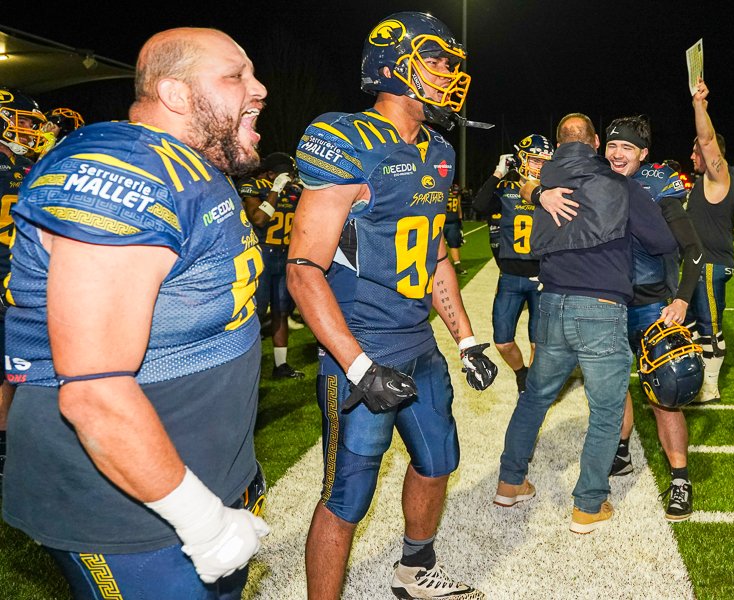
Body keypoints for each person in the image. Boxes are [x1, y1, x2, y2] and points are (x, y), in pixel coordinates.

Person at [2, 29, 270, 600]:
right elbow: (94, 391)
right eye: (235, 75)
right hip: (128, 507)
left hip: (191, 470)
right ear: (174, 94)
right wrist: (202, 520)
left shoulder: (188, 162)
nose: (259, 89)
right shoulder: (124, 167)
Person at [287, 12, 497, 600]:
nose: (451, 74)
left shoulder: (438, 152)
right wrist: (359, 366)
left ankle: (414, 570)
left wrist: (468, 340)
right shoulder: (347, 140)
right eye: (438, 61)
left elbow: (433, 257)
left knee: (438, 461)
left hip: (418, 342)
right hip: (361, 348)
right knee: (347, 494)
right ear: (393, 64)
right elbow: (303, 271)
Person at [495, 114, 677, 534]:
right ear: (596, 142)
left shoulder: (544, 186)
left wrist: (537, 190)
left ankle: (510, 481)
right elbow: (664, 241)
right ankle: (588, 505)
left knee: (535, 398)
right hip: (600, 306)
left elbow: (525, 188)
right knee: (607, 409)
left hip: (552, 303)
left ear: (559, 145)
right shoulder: (620, 185)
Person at [602, 115, 704, 521]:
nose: (617, 153)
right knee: (612, 388)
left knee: (666, 395)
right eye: (612, 145)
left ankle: (680, 479)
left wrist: (680, 301)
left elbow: (693, 249)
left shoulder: (658, 185)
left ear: (643, 154)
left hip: (650, 304)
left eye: (626, 147)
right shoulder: (597, 178)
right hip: (608, 303)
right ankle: (622, 452)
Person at [473, 134, 553, 393]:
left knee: (538, 343)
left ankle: (530, 388)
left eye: (544, 161)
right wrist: (498, 173)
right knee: (503, 342)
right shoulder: (506, 189)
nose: (539, 166)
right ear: (520, 159)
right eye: (534, 159)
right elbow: (479, 204)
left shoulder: (551, 192)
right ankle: (522, 372)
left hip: (543, 278)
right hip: (509, 276)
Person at [0, 88, 50, 486]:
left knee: (14, 373)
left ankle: (13, 448)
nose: (35, 129)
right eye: (27, 121)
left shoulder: (22, 163)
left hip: (19, 283)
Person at [684, 78, 734, 403]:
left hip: (712, 265)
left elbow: (706, 140)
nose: (693, 155)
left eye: (696, 150)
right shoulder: (699, 183)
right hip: (699, 265)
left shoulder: (720, 177)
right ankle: (696, 380)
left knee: (709, 328)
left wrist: (699, 104)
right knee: (691, 325)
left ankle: (709, 389)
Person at [239, 151, 305, 379]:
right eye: (284, 174)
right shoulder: (253, 186)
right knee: (255, 313)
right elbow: (258, 219)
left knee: (281, 311)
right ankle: (247, 367)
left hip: (285, 254)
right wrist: (275, 190)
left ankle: (280, 365)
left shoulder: (294, 191)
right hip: (262, 254)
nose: (289, 178)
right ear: (270, 173)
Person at [444, 183, 466, 274]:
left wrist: (460, 218)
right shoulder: (438, 188)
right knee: (437, 246)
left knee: (454, 244)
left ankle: (457, 265)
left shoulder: (455, 190)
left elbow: (458, 205)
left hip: (452, 221)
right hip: (441, 221)